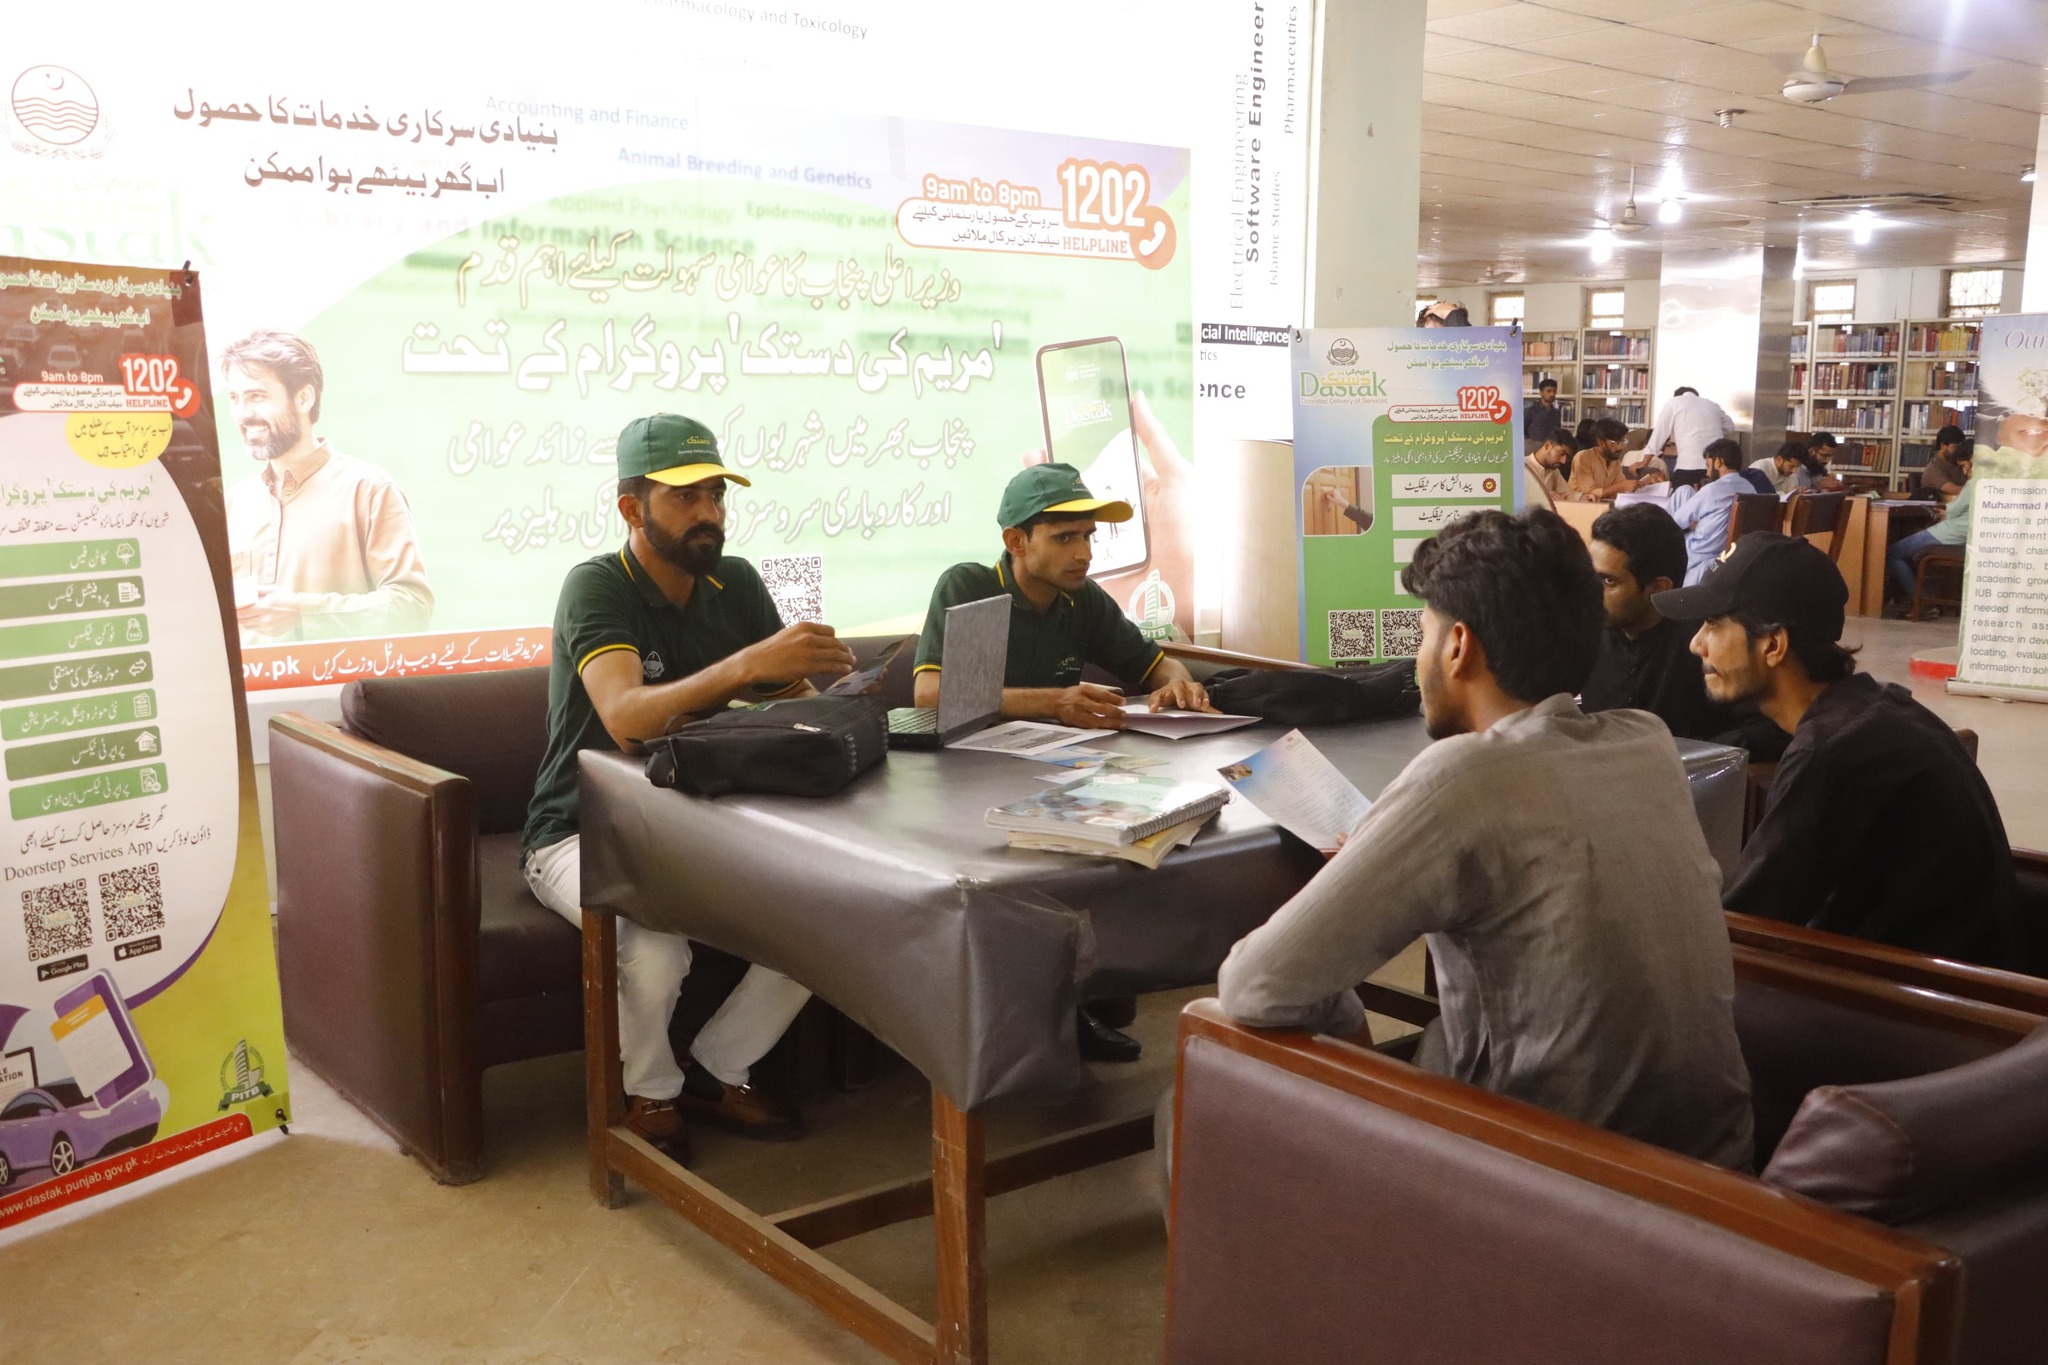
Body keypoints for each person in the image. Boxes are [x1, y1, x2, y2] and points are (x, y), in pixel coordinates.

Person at [1217, 509, 1754, 1170]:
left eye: (1422, 634)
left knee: (1196, 1097)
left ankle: (1373, 1186)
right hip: (1717, 1171)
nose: (1418, 659)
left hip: (1544, 1180)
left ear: (1457, 646)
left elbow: (1254, 986)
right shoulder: (1647, 740)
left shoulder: (1459, 776)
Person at [522, 414, 857, 1155]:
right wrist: (745, 666)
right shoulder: (595, 586)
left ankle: (718, 1065)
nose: (709, 513)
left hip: (699, 822)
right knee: (655, 950)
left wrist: (842, 704)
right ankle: (651, 1093)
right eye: (685, 497)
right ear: (630, 507)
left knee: (825, 917)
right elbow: (625, 720)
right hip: (582, 831)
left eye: (716, 494)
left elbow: (788, 696)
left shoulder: (735, 583)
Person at [914, 461, 1215, 1062]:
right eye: (1065, 537)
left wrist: (1178, 684)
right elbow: (929, 695)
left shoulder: (1082, 600)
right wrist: (1054, 702)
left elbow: (1156, 665)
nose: (1084, 553)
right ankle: (1015, 1033)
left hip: (1054, 779)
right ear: (1016, 541)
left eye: (1088, 537)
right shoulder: (970, 585)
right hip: (966, 787)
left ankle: (1075, 1008)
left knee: (1140, 842)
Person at [1656, 532, 2033, 972]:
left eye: (1713, 625)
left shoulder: (1831, 752)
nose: (1696, 644)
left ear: (1773, 645)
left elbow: (1746, 923)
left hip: (1929, 1001)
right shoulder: (1875, 709)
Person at [222, 331, 434, 642]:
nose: (243, 414)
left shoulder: (369, 491)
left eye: (257, 396)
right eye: (234, 399)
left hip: (338, 676)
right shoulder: (233, 504)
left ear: (303, 398)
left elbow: (412, 607)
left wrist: (303, 613)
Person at [1584, 505, 1788, 762]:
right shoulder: (1586, 635)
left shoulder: (1707, 646)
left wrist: (1690, 757)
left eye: (1608, 581)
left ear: (1659, 588)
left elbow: (1774, 728)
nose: (1591, 591)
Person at [1887, 447, 1975, 606]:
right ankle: (1927, 597)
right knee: (1911, 554)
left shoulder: (1974, 483)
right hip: (1964, 536)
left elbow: (1954, 511)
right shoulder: (1993, 484)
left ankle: (1922, 602)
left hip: (1949, 533)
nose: (1964, 471)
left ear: (1973, 461)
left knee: (1894, 553)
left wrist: (1946, 512)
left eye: (1964, 465)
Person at [1668, 437, 1755, 585]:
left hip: (1699, 555)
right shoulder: (1750, 488)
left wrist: (1690, 525)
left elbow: (1676, 522)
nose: (1707, 473)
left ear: (1718, 462)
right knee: (1684, 491)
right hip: (1733, 552)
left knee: (1669, 523)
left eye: (1708, 466)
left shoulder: (1713, 490)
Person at [1643, 385, 1736, 489]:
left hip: (1688, 467)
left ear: (1677, 396)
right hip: (1716, 468)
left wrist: (1644, 463)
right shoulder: (1712, 405)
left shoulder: (1674, 402)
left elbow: (1659, 434)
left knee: (1682, 497)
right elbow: (1730, 427)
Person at [1568, 418, 1658, 502]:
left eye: (1623, 442)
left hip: (1605, 506)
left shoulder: (1614, 459)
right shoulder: (1583, 457)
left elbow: (1621, 488)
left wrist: (1644, 483)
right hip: (1579, 507)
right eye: (1617, 442)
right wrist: (1621, 486)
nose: (1621, 447)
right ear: (1601, 442)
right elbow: (1589, 494)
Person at [1918, 424, 1971, 497]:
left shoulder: (1960, 463)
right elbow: (1956, 490)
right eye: (1955, 447)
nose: (1959, 450)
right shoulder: (1933, 469)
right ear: (1943, 446)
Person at [1522, 434, 1572, 508]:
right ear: (1547, 446)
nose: (1563, 461)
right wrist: (1542, 496)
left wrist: (1583, 497)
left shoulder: (1554, 471)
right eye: (1561, 454)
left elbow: (1566, 494)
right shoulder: (1519, 466)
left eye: (1566, 457)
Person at [1523, 378, 1565, 447]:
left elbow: (1558, 433)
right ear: (1541, 393)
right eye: (1549, 391)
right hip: (1533, 450)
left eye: (1554, 391)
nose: (1552, 394)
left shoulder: (1557, 413)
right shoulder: (1529, 411)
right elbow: (1521, 432)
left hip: (1551, 449)